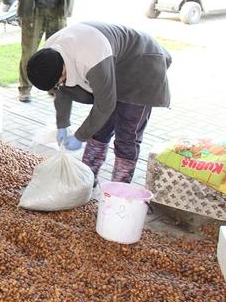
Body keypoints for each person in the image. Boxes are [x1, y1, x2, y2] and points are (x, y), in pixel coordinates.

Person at [26, 21, 172, 184]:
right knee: (99, 128)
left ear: (62, 69)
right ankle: (87, 178)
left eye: (59, 80)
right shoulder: (50, 54)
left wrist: (79, 136)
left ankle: (118, 188)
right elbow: (62, 92)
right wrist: (62, 125)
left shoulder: (90, 60)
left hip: (142, 64)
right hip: (114, 63)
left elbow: (104, 105)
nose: (59, 84)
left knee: (127, 135)